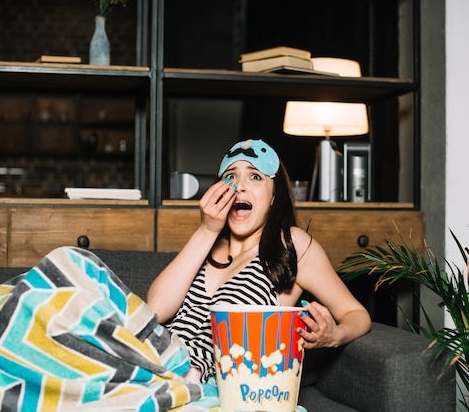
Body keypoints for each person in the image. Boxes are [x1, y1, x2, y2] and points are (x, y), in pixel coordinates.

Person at [147, 138, 371, 383]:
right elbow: (154, 311)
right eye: (230, 177)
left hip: (220, 390)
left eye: (255, 177)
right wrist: (206, 231)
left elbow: (356, 313)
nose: (239, 186)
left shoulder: (291, 245)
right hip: (156, 367)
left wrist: (335, 334)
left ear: (275, 196)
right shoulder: (205, 244)